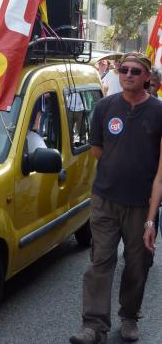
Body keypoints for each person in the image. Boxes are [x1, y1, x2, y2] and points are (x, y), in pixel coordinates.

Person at [69, 52, 162, 344]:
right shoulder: (104, 107)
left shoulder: (159, 112)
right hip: (105, 199)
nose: (129, 74)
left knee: (137, 263)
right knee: (100, 261)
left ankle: (130, 315)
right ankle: (94, 325)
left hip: (141, 204)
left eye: (136, 71)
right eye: (124, 70)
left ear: (147, 77)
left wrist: (151, 220)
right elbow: (98, 149)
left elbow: (161, 172)